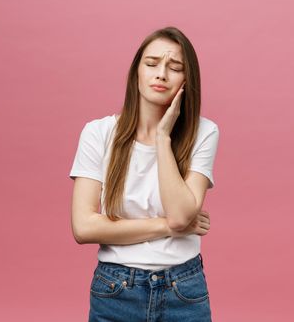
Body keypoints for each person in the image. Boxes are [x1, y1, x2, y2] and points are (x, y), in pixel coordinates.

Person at [69, 26, 219, 322]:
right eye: (151, 64)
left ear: (187, 81)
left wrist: (163, 137)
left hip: (183, 289)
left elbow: (180, 215)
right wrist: (167, 227)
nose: (161, 74)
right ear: (136, 72)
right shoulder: (98, 133)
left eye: (174, 67)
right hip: (115, 290)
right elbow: (84, 228)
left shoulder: (204, 132)